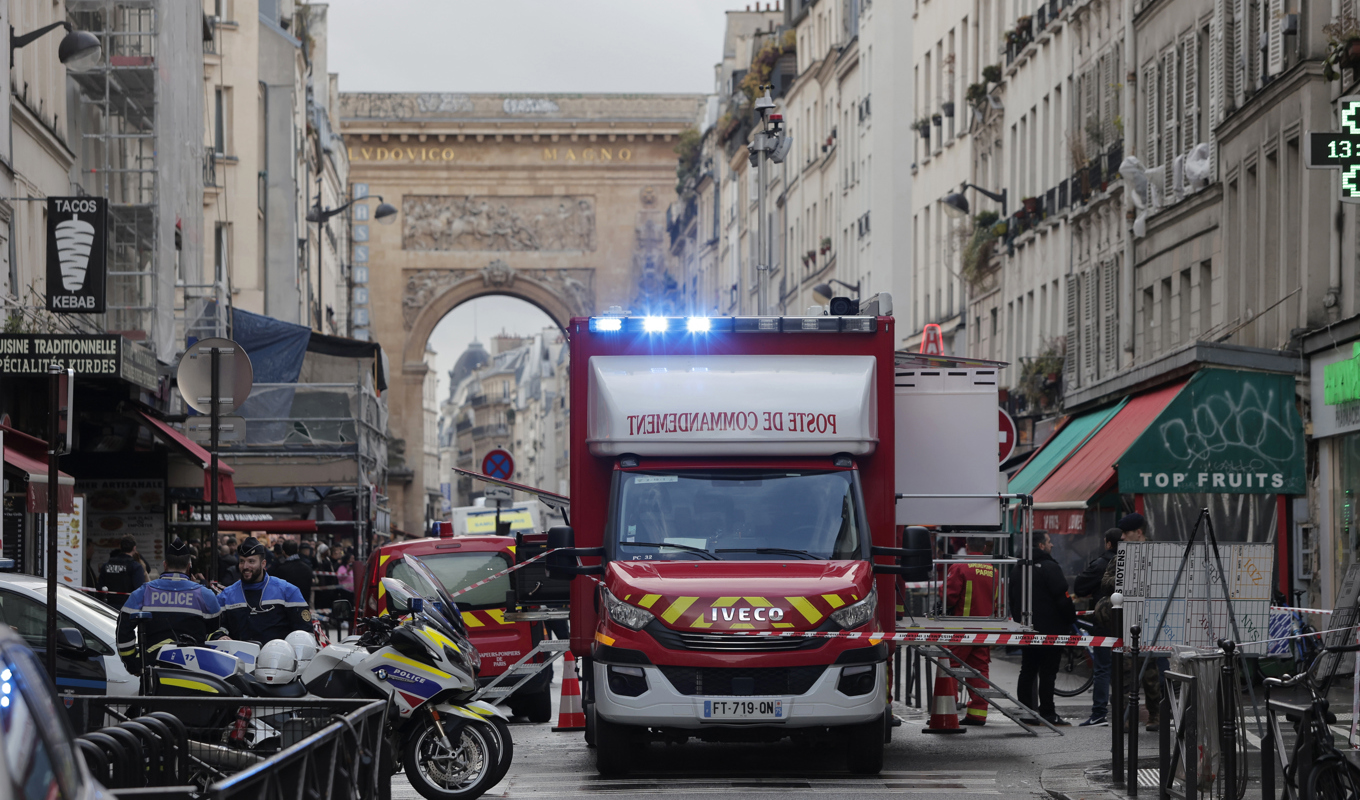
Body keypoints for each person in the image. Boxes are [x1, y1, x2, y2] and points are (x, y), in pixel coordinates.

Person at [115, 538, 223, 675]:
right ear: (189, 566)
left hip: (153, 673)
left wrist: (134, 663)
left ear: (165, 565)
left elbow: (123, 630)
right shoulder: (205, 594)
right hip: (195, 672)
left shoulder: (143, 592)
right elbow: (215, 628)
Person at [1101, 512, 1163, 730]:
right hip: (1126, 621)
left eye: (1126, 534)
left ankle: (1155, 714)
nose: (1123, 538)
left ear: (1138, 532)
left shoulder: (1158, 554)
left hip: (1149, 620)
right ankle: (1127, 716)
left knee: (1150, 673)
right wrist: (1124, 581)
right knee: (1125, 673)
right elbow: (1105, 582)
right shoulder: (1121, 557)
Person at [1009, 529, 1076, 726]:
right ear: (1041, 546)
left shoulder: (1017, 569)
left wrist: (1020, 622)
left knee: (1028, 669)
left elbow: (1012, 600)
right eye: (1049, 541)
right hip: (1051, 630)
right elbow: (1062, 597)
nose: (1052, 545)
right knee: (1048, 672)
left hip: (1027, 629)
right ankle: (1047, 713)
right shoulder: (1049, 567)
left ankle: (1026, 711)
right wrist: (1070, 619)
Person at [217, 537, 313, 643]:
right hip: (239, 657)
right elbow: (215, 628)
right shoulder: (226, 596)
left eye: (251, 561)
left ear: (263, 564)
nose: (245, 566)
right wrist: (220, 636)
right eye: (242, 561)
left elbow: (305, 634)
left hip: (279, 657)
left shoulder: (288, 591)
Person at [1075, 528, 1123, 726]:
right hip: (1132, 625)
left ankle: (1099, 713)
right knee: (1127, 669)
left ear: (1108, 544)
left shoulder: (1101, 564)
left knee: (1103, 668)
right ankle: (1126, 715)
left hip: (1105, 623)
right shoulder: (1135, 564)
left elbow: (1079, 587)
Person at [945, 538, 996, 726]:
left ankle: (946, 712)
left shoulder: (960, 567)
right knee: (979, 670)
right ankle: (978, 714)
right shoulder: (993, 569)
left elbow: (949, 596)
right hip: (985, 627)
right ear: (984, 547)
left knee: (949, 667)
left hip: (962, 627)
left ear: (966, 547)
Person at [97, 536, 148, 608]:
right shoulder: (135, 567)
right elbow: (140, 591)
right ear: (134, 548)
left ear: (120, 547)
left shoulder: (106, 566)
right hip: (128, 608)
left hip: (108, 608)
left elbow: (99, 588)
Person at [272, 539, 315, 607]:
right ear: (297, 550)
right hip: (303, 605)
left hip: (287, 606)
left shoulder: (281, 570)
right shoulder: (307, 568)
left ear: (283, 551)